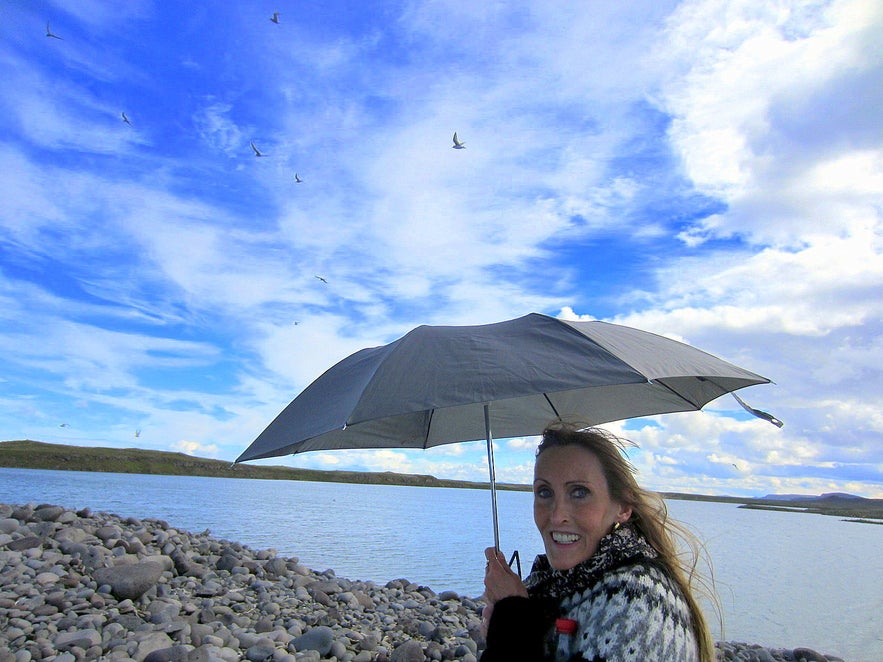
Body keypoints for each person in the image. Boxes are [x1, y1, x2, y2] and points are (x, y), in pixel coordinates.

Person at [480, 423, 716, 662]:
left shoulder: (636, 600)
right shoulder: (560, 585)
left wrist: (513, 618)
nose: (556, 515)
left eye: (579, 492)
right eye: (544, 492)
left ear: (623, 507)